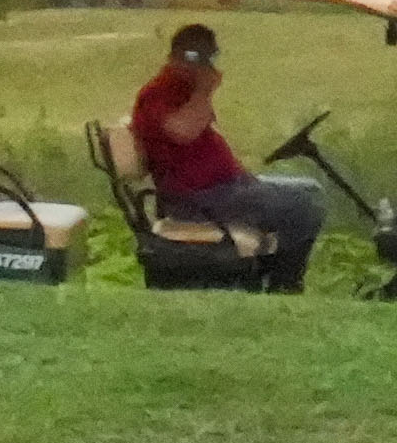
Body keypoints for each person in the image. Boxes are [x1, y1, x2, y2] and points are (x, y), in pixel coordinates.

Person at [127, 20, 322, 292]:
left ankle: (273, 276)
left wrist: (242, 176)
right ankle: (285, 286)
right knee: (301, 205)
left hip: (223, 189)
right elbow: (183, 131)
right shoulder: (158, 94)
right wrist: (203, 90)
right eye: (198, 57)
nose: (207, 65)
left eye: (210, 57)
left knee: (311, 191)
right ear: (178, 56)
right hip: (196, 199)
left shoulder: (183, 91)